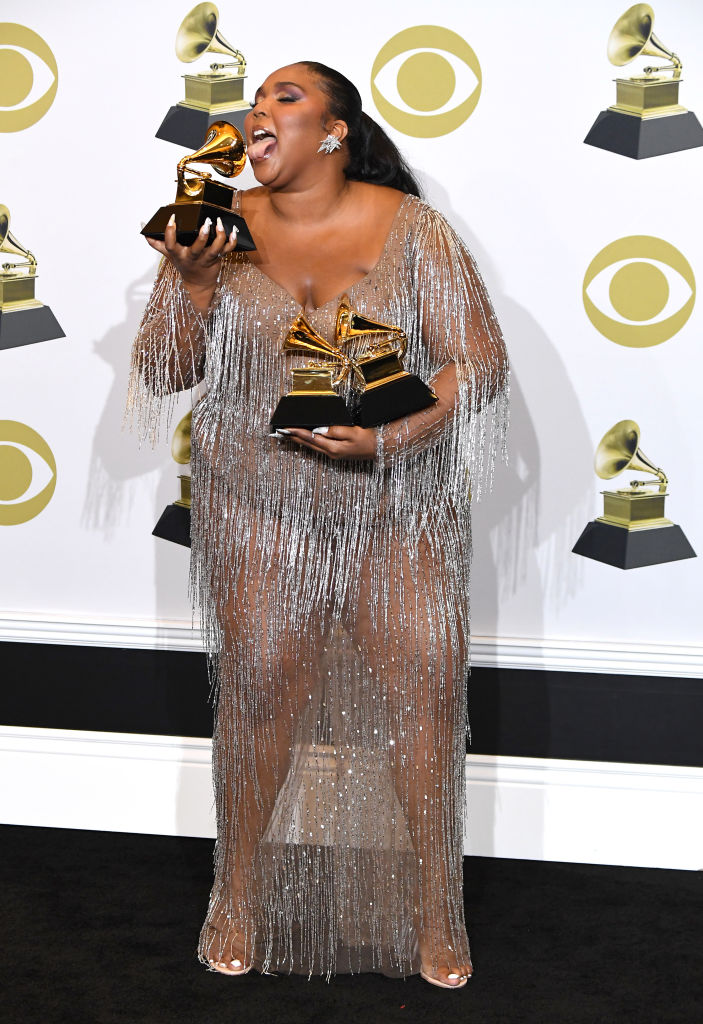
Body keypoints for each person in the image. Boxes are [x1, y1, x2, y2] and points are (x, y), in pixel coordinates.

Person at [128, 61, 508, 989]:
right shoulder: (217, 229)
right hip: (256, 507)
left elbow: (479, 362)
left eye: (283, 98)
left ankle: (434, 909)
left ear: (334, 132)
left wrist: (398, 437)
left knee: (422, 698)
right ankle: (238, 893)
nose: (257, 111)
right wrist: (192, 284)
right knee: (260, 701)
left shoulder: (413, 229)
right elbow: (163, 371)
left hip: (399, 507)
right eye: (252, 100)